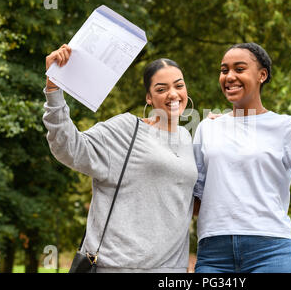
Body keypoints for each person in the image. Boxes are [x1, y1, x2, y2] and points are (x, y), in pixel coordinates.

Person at [192, 42, 291, 273]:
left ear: (262, 75)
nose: (229, 76)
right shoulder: (207, 128)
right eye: (224, 70)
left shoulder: (284, 126)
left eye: (239, 69)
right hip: (214, 255)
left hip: (270, 252)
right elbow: (196, 200)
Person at [43, 44, 198, 272]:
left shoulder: (187, 139)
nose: (173, 94)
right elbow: (68, 147)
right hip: (118, 267)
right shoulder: (127, 129)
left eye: (179, 85)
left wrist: (223, 124)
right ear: (149, 97)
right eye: (161, 89)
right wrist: (54, 88)